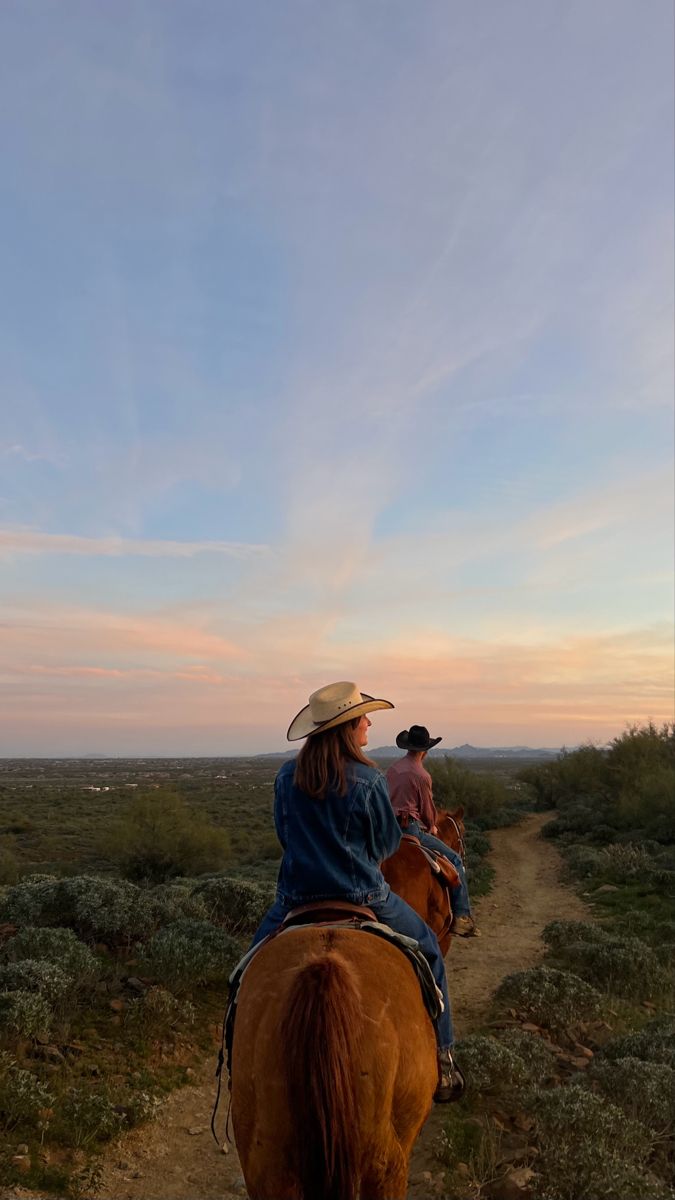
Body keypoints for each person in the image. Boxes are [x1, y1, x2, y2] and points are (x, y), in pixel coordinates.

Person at [251, 681, 465, 1103]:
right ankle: (443, 1060)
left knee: (244, 976)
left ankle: (233, 1060)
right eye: (363, 717)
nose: (369, 722)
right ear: (347, 727)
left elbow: (285, 835)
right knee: (429, 951)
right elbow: (387, 845)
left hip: (295, 899)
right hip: (365, 897)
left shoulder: (285, 776)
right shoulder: (368, 780)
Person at [386, 725, 479, 937]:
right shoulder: (422, 775)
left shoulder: (392, 769)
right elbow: (428, 811)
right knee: (454, 860)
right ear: (425, 750)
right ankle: (462, 917)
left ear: (407, 747)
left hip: (386, 830)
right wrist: (432, 826)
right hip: (408, 829)